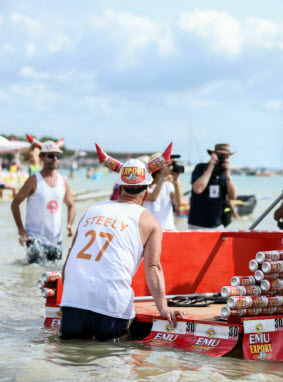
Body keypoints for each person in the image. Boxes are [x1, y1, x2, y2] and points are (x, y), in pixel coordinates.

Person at [59, 143, 186, 341]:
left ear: (119, 187)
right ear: (146, 191)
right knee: (116, 360)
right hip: (111, 307)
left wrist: (71, 297)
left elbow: (69, 260)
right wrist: (163, 307)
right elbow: (153, 267)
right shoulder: (149, 221)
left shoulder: (92, 210)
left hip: (72, 303)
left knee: (71, 360)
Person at [11, 136, 75, 263]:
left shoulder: (63, 181)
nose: (55, 159)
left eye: (57, 156)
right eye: (51, 155)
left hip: (56, 240)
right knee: (33, 275)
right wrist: (21, 231)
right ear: (41, 157)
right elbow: (15, 203)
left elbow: (71, 205)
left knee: (53, 278)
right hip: (34, 239)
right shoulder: (34, 180)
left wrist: (69, 224)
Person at [188, 144, 237, 229]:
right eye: (219, 155)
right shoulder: (201, 168)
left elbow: (233, 196)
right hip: (197, 223)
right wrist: (210, 167)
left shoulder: (224, 173)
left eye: (226, 156)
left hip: (218, 224)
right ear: (212, 155)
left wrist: (228, 174)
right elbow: (197, 189)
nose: (222, 158)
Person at [143, 154, 182, 231]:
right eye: (167, 165)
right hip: (149, 230)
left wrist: (176, 182)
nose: (169, 168)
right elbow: (152, 198)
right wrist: (161, 178)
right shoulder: (143, 185)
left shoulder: (168, 185)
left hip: (168, 228)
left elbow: (178, 205)